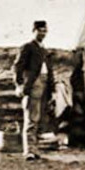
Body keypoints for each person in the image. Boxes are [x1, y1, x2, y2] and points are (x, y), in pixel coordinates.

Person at [13, 20, 55, 161]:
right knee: (31, 118)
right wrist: (19, 84)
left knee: (39, 118)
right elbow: (18, 67)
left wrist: (52, 89)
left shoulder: (44, 50)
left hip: (44, 83)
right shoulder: (28, 47)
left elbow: (50, 70)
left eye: (44, 30)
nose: (42, 33)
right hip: (34, 84)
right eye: (39, 30)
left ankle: (35, 149)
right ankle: (29, 150)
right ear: (34, 31)